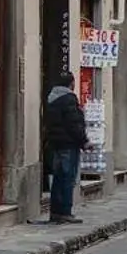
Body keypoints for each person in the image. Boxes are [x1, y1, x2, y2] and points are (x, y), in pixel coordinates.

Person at [42, 71, 88, 224]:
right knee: (67, 178)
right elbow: (73, 123)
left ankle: (55, 212)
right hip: (68, 144)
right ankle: (65, 212)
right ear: (71, 84)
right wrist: (84, 141)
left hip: (56, 143)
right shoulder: (68, 99)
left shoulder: (51, 99)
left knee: (58, 178)